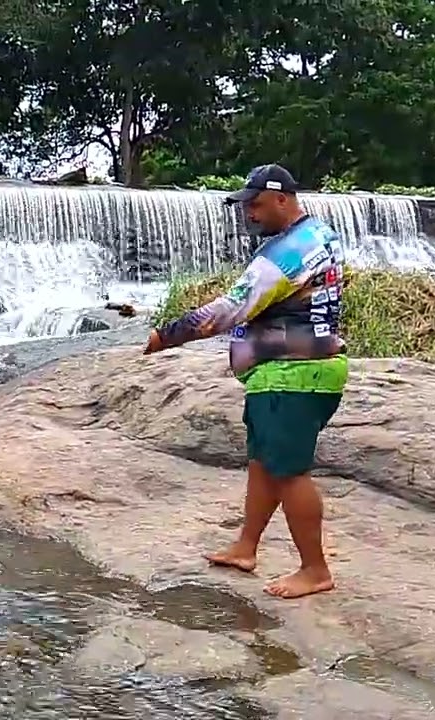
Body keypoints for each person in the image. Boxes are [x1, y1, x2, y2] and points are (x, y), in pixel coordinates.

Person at [142, 163, 347, 600]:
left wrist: (168, 334)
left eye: (255, 204)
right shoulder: (318, 235)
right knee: (263, 461)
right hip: (286, 372)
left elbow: (230, 309)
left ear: (282, 199)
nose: (248, 213)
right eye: (244, 206)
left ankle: (315, 569)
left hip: (294, 375)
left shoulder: (287, 253)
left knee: (289, 472)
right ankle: (246, 546)